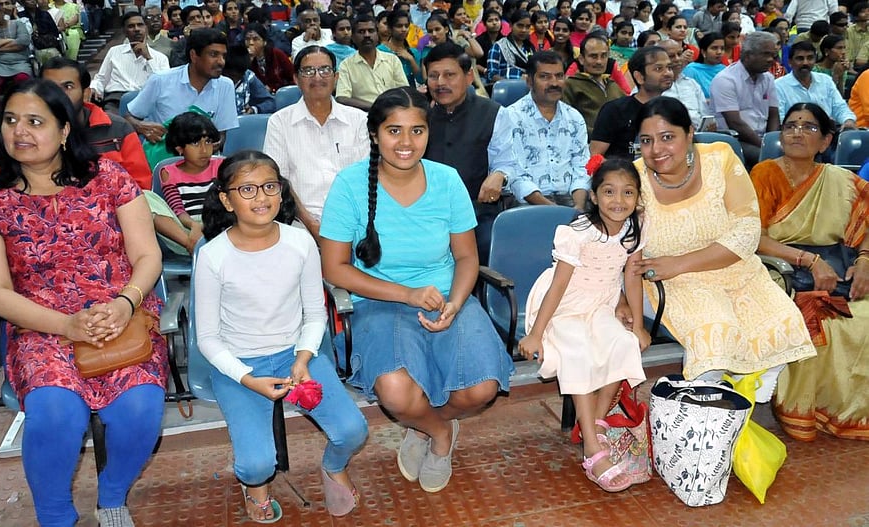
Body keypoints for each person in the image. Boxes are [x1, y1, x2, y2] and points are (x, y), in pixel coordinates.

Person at [0, 79, 167, 527]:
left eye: (35, 121)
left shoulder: (109, 178)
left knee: (140, 410)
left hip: (120, 316)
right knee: (54, 415)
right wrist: (66, 326)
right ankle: (55, 515)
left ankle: (112, 496)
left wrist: (124, 302)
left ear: (63, 131)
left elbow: (146, 254)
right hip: (42, 327)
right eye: (10, 120)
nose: (19, 131)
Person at [320, 86, 514, 494]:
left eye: (417, 131)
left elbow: (466, 258)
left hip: (446, 298)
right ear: (374, 134)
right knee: (396, 391)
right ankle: (439, 433)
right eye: (394, 130)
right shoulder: (351, 185)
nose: (406, 143)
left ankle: (425, 424)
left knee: (481, 387)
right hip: (379, 302)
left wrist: (456, 303)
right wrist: (406, 294)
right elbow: (334, 268)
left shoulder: (446, 181)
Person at [195, 150, 368, 522]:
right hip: (239, 366)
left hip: (296, 355)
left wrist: (303, 358)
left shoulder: (300, 242)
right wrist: (247, 378)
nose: (261, 197)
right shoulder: (213, 256)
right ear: (226, 199)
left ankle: (333, 468)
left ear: (282, 191)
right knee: (257, 465)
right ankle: (254, 485)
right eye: (247, 189)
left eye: (270, 186)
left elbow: (314, 312)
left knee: (353, 431)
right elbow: (207, 337)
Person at [627, 96, 815, 398]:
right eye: (646, 140)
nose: (657, 150)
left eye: (667, 137)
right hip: (675, 283)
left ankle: (740, 402)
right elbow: (620, 247)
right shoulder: (634, 179)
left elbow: (747, 231)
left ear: (689, 133)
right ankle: (702, 414)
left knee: (782, 321)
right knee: (716, 331)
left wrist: (679, 262)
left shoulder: (719, 157)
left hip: (734, 268)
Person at [519, 157, 649, 492]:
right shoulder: (578, 233)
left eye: (627, 193)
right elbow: (558, 285)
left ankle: (597, 421)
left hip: (601, 303)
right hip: (563, 307)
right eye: (609, 191)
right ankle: (592, 449)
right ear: (593, 196)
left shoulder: (636, 227)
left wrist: (636, 323)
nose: (618, 201)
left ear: (637, 197)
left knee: (623, 344)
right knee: (576, 351)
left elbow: (631, 277)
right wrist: (535, 333)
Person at [751, 103, 869, 442]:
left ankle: (850, 411)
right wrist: (809, 261)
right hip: (780, 269)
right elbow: (753, 238)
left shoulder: (840, 180)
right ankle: (804, 411)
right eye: (790, 126)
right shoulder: (765, 175)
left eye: (808, 127)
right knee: (817, 319)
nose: (797, 132)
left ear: (826, 141)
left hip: (839, 269)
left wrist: (864, 261)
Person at [0, 57, 153, 191]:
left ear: (86, 93)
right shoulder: (20, 133)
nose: (58, 95)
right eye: (49, 87)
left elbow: (141, 186)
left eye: (67, 86)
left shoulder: (118, 128)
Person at [423, 42, 516, 264]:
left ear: (468, 76)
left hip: (476, 211)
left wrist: (499, 174)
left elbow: (507, 161)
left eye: (449, 75)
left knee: (490, 245)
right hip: (425, 212)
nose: (440, 83)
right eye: (433, 76)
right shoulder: (418, 115)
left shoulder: (493, 113)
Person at [265, 46, 370, 242]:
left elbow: (364, 177)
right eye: (308, 71)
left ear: (336, 77)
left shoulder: (359, 120)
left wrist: (342, 225)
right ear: (296, 78)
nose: (317, 77)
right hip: (299, 222)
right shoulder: (280, 122)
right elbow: (278, 181)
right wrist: (310, 224)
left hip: (354, 218)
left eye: (325, 70)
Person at [126, 28, 238, 147]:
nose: (221, 62)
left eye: (223, 56)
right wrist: (140, 126)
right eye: (213, 54)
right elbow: (128, 118)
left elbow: (221, 135)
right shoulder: (160, 80)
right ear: (194, 56)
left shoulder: (226, 86)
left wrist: (208, 147)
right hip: (164, 156)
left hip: (204, 158)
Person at [505, 51, 590, 208]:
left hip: (571, 199)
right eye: (544, 77)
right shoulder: (511, 117)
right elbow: (515, 174)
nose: (554, 83)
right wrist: (552, 211)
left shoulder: (574, 118)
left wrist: (578, 208)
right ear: (529, 81)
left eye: (559, 76)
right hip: (527, 201)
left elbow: (581, 168)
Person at [153, 111, 223, 253]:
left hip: (220, 229)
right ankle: (195, 247)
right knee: (144, 197)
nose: (204, 150)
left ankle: (202, 246)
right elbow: (177, 209)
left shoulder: (222, 166)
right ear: (179, 148)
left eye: (208, 141)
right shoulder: (168, 172)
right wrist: (194, 226)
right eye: (196, 143)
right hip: (186, 232)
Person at [710, 30, 780, 169]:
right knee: (770, 161)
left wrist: (771, 141)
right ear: (747, 55)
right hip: (735, 139)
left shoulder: (768, 78)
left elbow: (773, 114)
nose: (771, 60)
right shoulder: (726, 80)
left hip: (763, 138)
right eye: (766, 54)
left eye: (773, 55)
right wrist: (765, 146)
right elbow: (735, 123)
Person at [590, 46, 674, 159]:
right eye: (659, 69)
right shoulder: (615, 110)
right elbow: (595, 156)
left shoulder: (673, 109)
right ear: (639, 77)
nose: (667, 73)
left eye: (669, 67)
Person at [775, 41, 857, 144]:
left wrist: (848, 120)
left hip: (827, 135)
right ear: (790, 62)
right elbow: (781, 120)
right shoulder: (779, 86)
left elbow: (840, 107)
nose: (805, 63)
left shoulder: (825, 81)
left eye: (810, 58)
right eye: (800, 58)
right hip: (797, 137)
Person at [91, 12, 171, 113]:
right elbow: (101, 79)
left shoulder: (160, 58)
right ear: (124, 31)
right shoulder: (114, 52)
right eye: (131, 26)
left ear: (146, 28)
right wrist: (94, 88)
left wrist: (149, 58)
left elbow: (164, 85)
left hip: (145, 100)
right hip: (116, 100)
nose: (136, 29)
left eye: (140, 25)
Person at [336, 14, 409, 110]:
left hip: (393, 114)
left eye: (371, 31)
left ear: (377, 35)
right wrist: (376, 108)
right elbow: (342, 98)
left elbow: (404, 91)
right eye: (361, 32)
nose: (367, 35)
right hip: (363, 117)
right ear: (353, 37)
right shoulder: (346, 65)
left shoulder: (392, 60)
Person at [563, 34, 626, 136]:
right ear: (581, 59)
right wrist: (601, 136)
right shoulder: (571, 85)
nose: (599, 61)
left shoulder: (613, 85)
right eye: (593, 56)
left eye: (604, 56)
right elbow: (567, 122)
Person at [659, 39, 711, 130]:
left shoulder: (692, 84)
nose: (678, 59)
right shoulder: (652, 87)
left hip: (699, 136)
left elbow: (705, 116)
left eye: (679, 54)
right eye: (671, 56)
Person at [223, 43, 276, 115]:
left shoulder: (248, 76)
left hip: (244, 121)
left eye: (239, 76)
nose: (236, 79)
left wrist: (254, 109)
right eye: (232, 76)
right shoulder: (214, 79)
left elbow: (271, 103)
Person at [243, 23, 295, 93]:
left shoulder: (277, 54)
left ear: (264, 42)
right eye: (247, 39)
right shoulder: (242, 57)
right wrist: (249, 60)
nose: (251, 43)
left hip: (279, 94)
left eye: (255, 39)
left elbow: (294, 77)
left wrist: (274, 88)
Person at [486, 9, 534, 82]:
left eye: (527, 27)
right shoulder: (499, 46)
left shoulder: (530, 48)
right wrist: (513, 84)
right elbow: (491, 75)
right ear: (511, 25)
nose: (524, 30)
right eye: (520, 26)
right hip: (505, 89)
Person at [381, 10, 423, 86]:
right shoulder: (381, 51)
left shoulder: (413, 52)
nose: (404, 29)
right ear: (390, 29)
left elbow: (421, 80)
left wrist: (411, 59)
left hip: (410, 93)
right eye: (399, 26)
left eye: (406, 26)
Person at [682, 31, 725, 99]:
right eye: (714, 48)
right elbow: (686, 96)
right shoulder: (691, 70)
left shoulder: (724, 70)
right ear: (703, 52)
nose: (719, 52)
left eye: (722, 48)